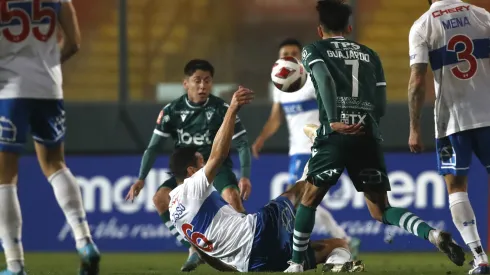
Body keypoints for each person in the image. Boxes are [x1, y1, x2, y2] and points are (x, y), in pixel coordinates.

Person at [284, 0, 466, 272]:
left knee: (308, 199)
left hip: (334, 136)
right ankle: (434, 235)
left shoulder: (313, 50)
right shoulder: (370, 54)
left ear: (320, 30)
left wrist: (335, 120)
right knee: (381, 211)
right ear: (349, 27)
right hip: (367, 136)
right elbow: (380, 105)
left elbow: (324, 79)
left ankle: (296, 265)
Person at [168, 87, 364, 273]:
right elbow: (217, 156)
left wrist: (236, 269)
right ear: (191, 170)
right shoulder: (192, 187)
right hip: (258, 232)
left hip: (253, 263)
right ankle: (320, 151)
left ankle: (334, 266)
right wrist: (233, 109)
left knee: (337, 245)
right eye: (201, 163)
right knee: (295, 192)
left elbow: (206, 253)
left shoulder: (174, 213)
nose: (205, 167)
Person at [0, 1, 100, 274]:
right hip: (49, 88)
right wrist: (46, 64)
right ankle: (85, 241)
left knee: (4, 176)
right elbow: (74, 43)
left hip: (8, 90)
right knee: (55, 164)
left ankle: (15, 263)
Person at [125, 59, 253, 271]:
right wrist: (140, 178)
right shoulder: (171, 111)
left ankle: (248, 248)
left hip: (214, 168)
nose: (202, 86)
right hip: (186, 171)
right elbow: (153, 147)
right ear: (186, 83)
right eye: (197, 81)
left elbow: (242, 143)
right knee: (159, 199)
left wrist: (245, 175)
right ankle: (193, 248)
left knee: (232, 198)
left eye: (207, 81)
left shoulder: (222, 109)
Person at [252, 38, 360, 258]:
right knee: (305, 199)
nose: (288, 57)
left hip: (313, 146)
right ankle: (344, 239)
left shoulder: (312, 79)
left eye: (293, 53)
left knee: (301, 199)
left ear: (301, 57)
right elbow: (276, 117)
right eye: (284, 54)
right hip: (296, 151)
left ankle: (338, 240)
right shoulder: (279, 83)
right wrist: (261, 138)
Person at [407, 0, 490, 274]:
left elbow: (417, 80)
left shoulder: (423, 25)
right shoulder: (481, 16)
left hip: (452, 121)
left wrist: (414, 127)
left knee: (456, 187)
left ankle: (480, 258)